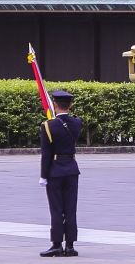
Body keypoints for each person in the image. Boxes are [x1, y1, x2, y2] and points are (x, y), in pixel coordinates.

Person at [39, 90, 83, 258]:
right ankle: (70, 246)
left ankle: (57, 244)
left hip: (55, 170)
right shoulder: (77, 122)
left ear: (55, 105)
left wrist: (43, 175)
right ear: (70, 105)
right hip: (71, 168)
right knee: (70, 208)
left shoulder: (48, 126)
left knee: (57, 209)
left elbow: (46, 153)